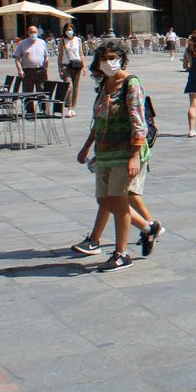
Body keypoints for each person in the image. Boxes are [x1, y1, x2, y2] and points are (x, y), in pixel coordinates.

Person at [75, 40, 151, 271]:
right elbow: (98, 121)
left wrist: (134, 156)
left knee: (117, 201)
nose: (109, 62)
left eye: (112, 58)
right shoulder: (104, 86)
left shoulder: (131, 83)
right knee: (104, 200)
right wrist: (87, 146)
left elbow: (139, 122)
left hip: (125, 152)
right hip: (105, 152)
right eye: (104, 58)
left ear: (121, 59)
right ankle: (147, 228)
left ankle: (121, 254)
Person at [58, 24, 84, 117]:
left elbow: (81, 54)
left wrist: (83, 67)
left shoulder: (78, 40)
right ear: (64, 31)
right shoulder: (62, 41)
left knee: (75, 88)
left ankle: (73, 108)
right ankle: (69, 108)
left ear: (73, 30)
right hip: (66, 66)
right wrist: (59, 68)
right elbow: (60, 55)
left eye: (70, 29)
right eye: (67, 29)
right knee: (69, 86)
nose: (69, 31)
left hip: (77, 66)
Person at [14, 25, 49, 94]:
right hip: (28, 72)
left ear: (37, 32)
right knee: (28, 94)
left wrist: (46, 70)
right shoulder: (22, 43)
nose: (33, 34)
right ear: (28, 33)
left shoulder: (42, 43)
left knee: (42, 93)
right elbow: (17, 57)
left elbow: (46, 56)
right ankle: (29, 105)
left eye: (35, 32)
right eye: (31, 32)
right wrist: (20, 70)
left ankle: (42, 105)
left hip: (40, 71)